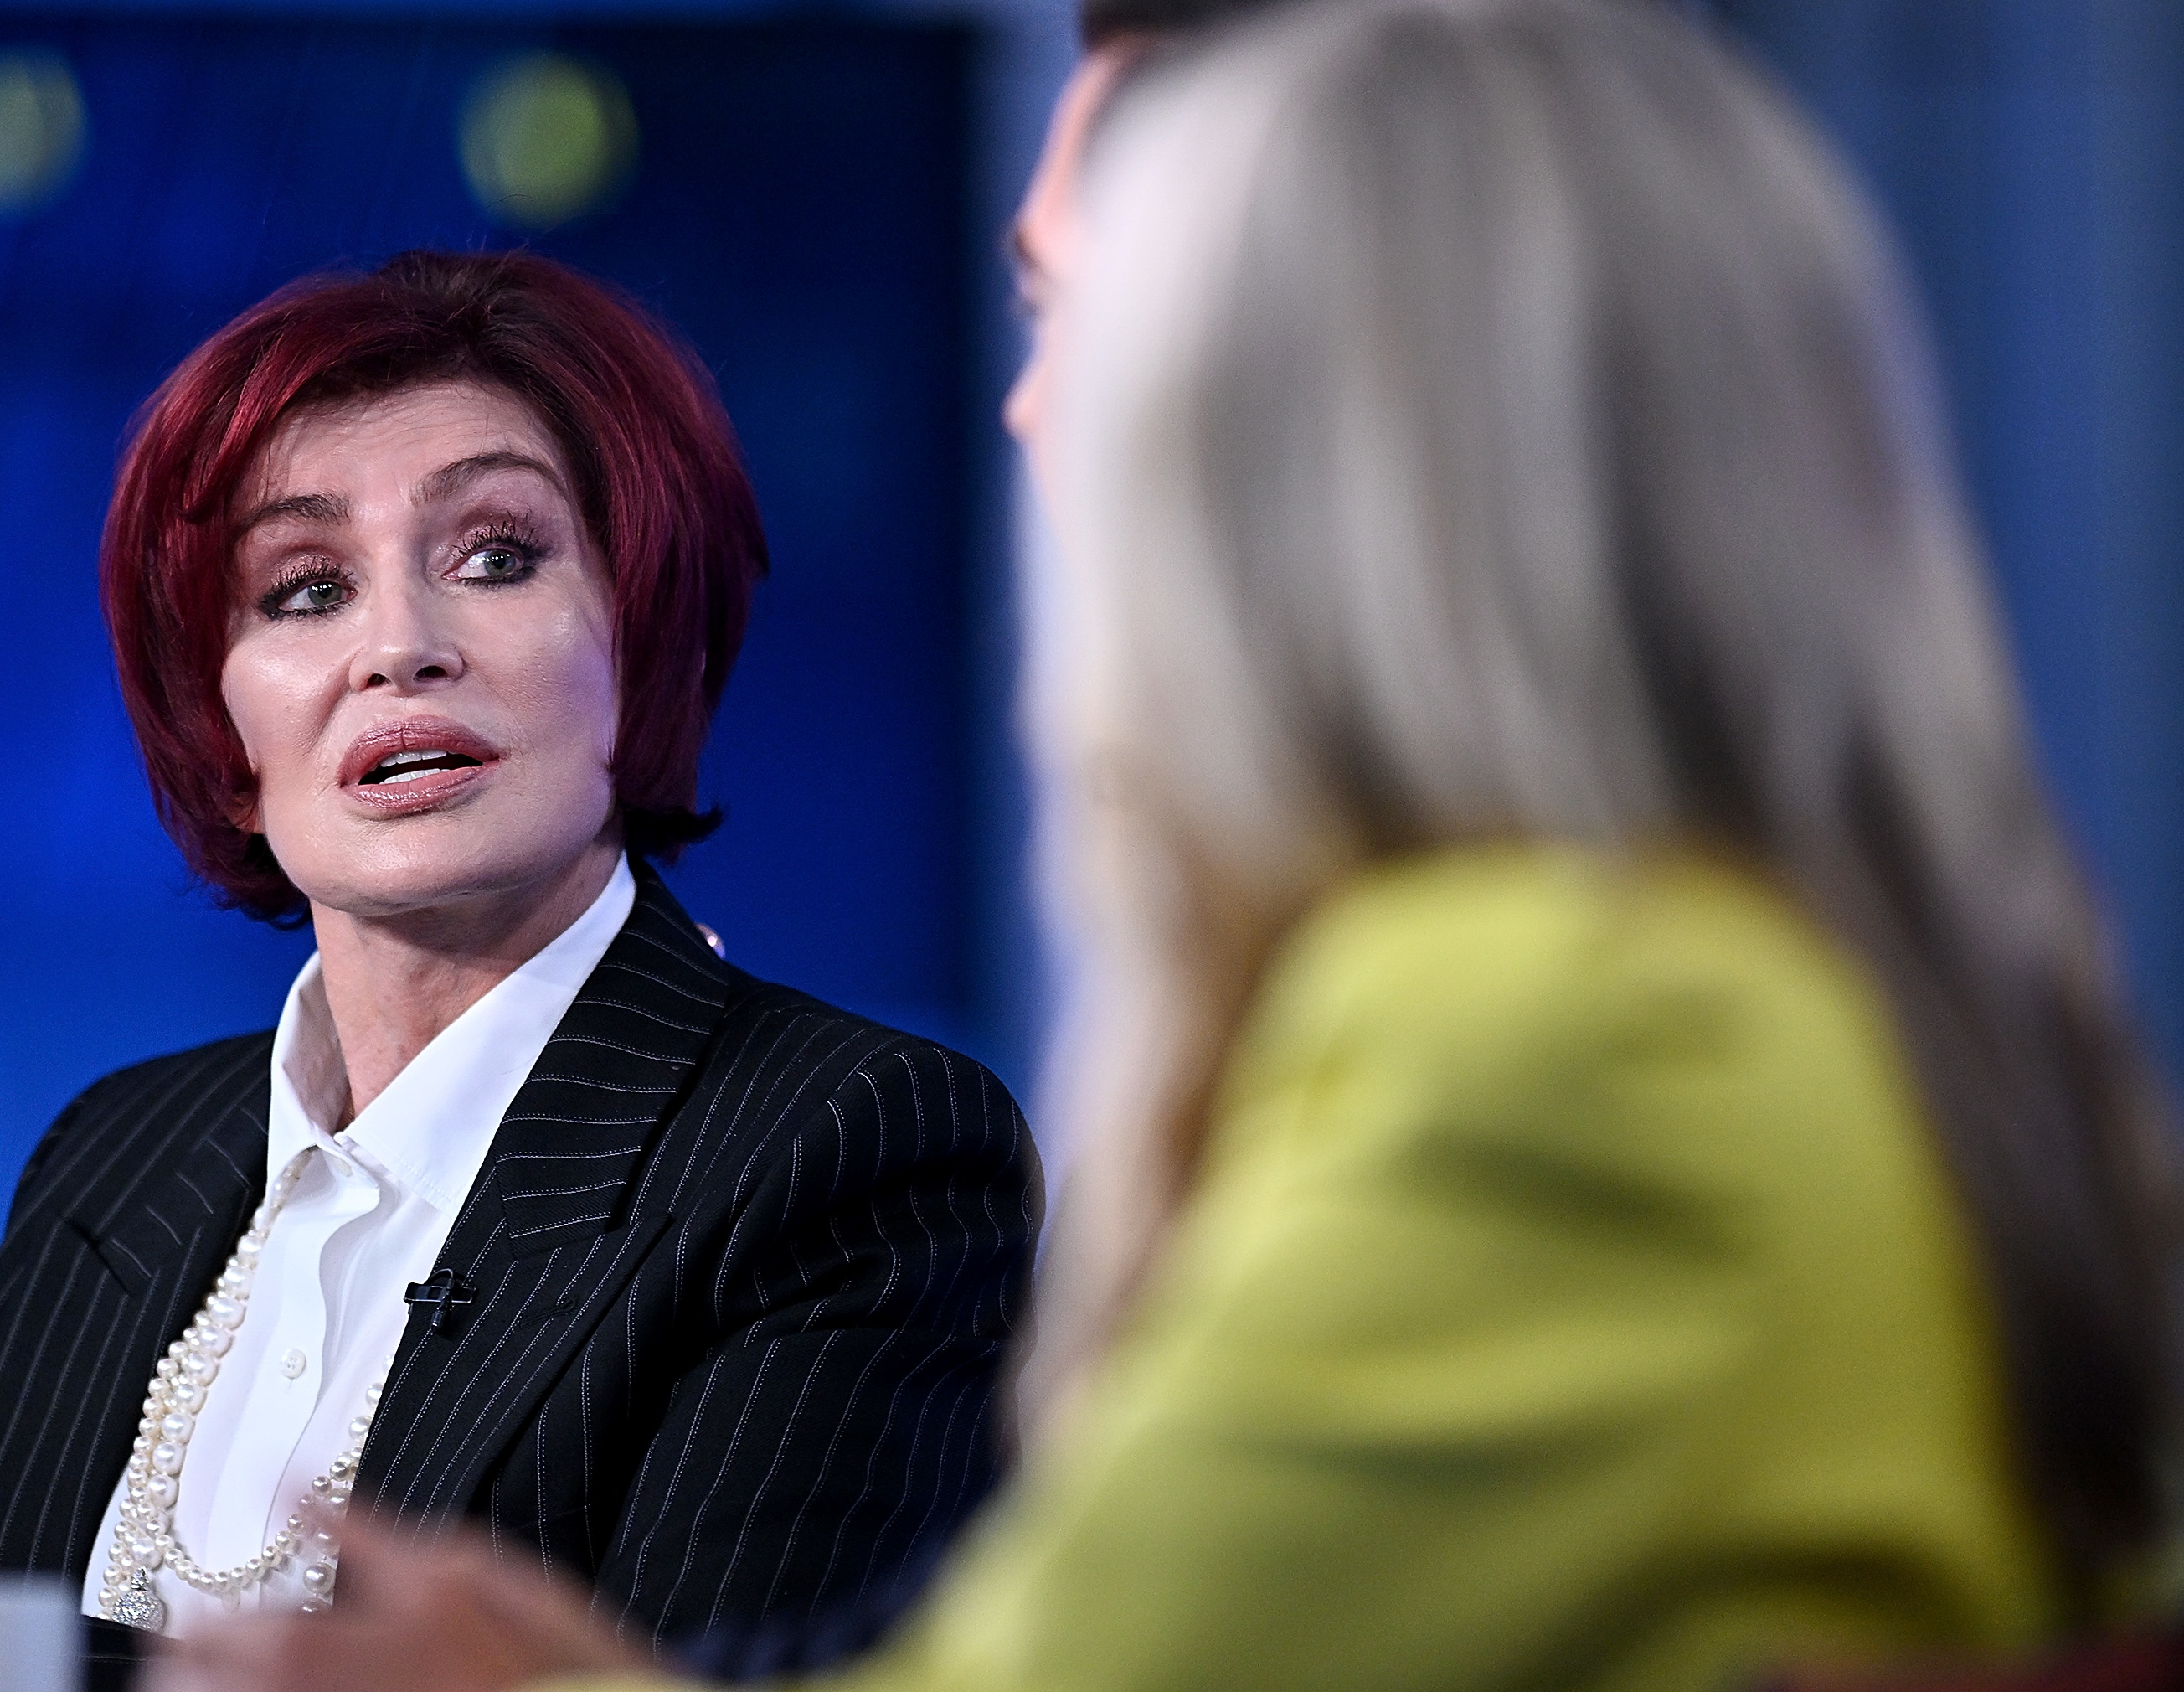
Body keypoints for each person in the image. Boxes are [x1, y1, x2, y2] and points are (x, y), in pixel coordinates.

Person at [153, 3, 2181, 1690]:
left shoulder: (1564, 1033)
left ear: (1327, 443)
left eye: (1086, 326)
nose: (1037, 421)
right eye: (297, 592)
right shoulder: (1731, 996)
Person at [0, 250, 1040, 1675]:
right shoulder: (113, 1156)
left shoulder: (848, 1149)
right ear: (225, 741)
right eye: (304, 589)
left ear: (644, 638)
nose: (399, 649)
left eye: (496, 557)